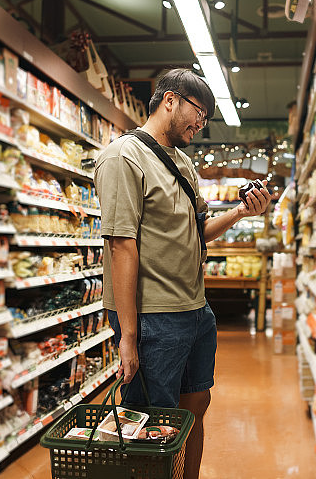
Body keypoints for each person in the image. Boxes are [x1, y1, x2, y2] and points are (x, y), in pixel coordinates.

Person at [94, 68, 271, 479]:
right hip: (153, 318)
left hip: (195, 310)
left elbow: (199, 231)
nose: (200, 123)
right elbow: (122, 246)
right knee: (151, 424)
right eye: (198, 112)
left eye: (206, 118)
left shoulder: (184, 164)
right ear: (170, 100)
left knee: (194, 410)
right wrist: (129, 337)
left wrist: (241, 211)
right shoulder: (123, 157)